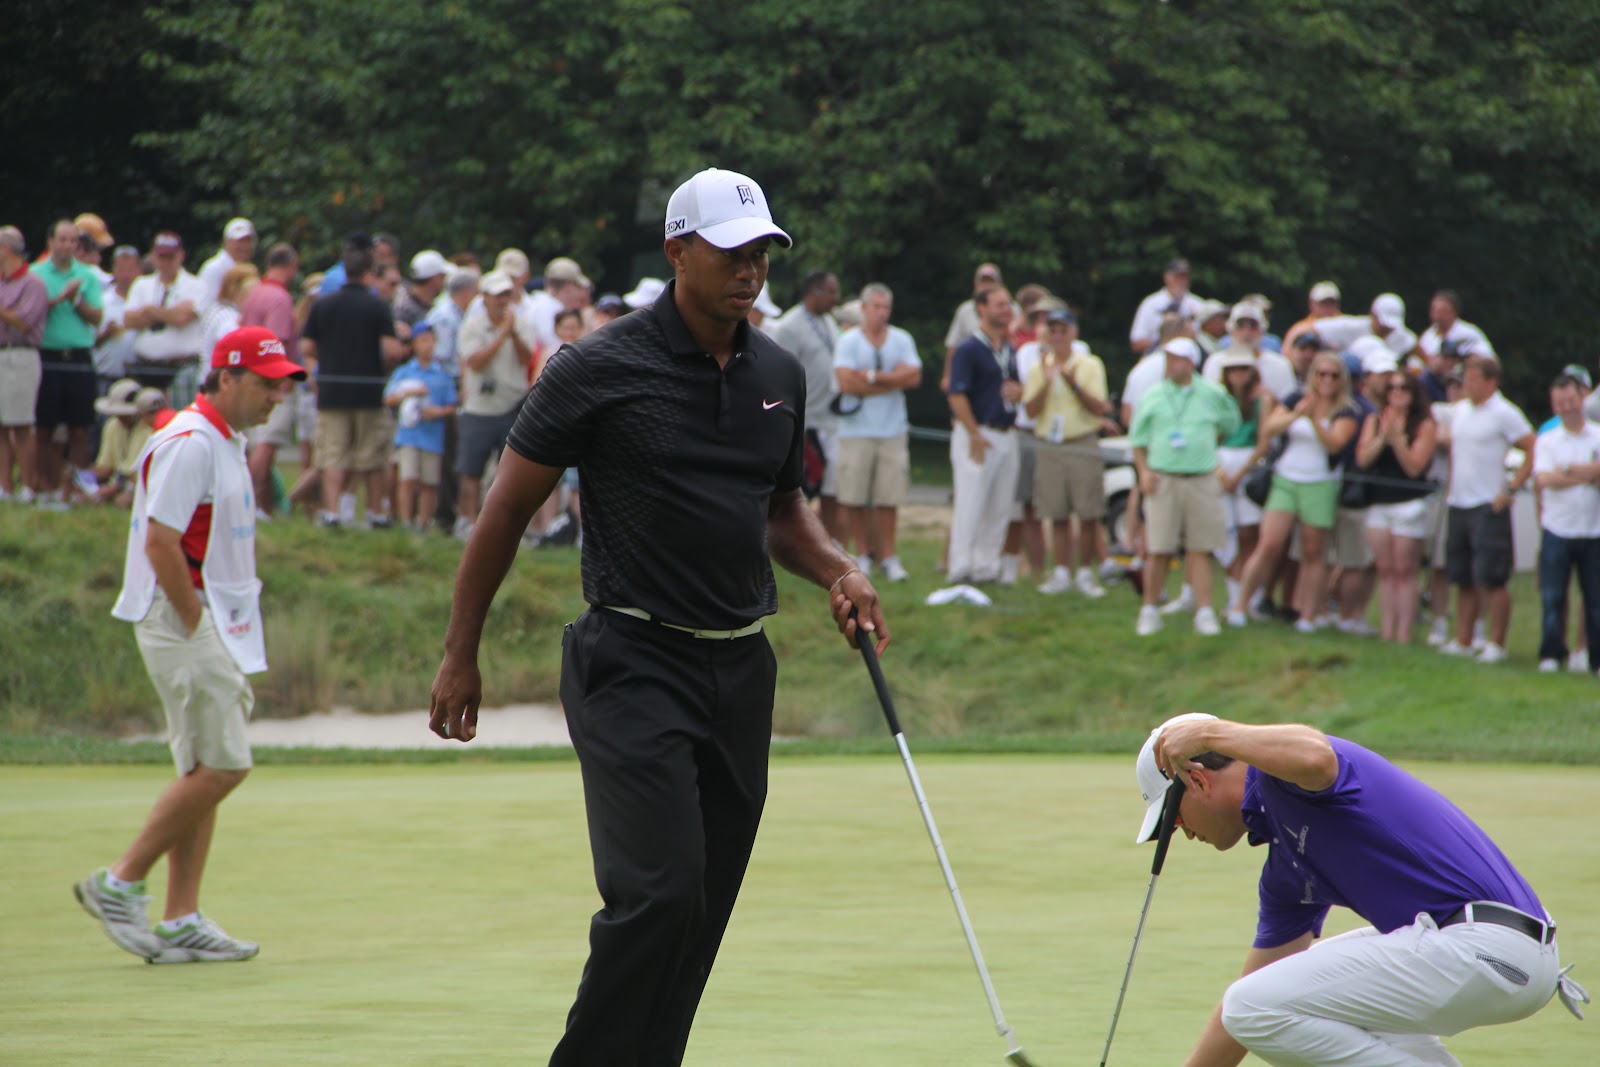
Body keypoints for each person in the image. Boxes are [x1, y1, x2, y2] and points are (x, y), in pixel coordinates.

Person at [427, 166, 889, 1066]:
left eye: (761, 253)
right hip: (632, 660)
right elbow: (505, 510)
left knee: (701, 912)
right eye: (730, 252)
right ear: (678, 251)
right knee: (659, 894)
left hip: (741, 670)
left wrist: (840, 568)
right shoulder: (597, 367)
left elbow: (780, 509)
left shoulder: (778, 372)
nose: (750, 269)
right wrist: (460, 653)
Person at [1135, 712, 1582, 1067]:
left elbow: (1316, 755)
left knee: (1249, 1005)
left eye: (1174, 820)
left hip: (1486, 945)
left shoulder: (1285, 778)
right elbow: (1250, 1000)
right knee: (1269, 1001)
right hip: (1495, 953)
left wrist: (1209, 734)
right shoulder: (1285, 873)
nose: (1182, 833)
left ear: (1198, 780)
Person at [77, 326, 306, 964]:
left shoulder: (223, 439)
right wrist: (195, 620)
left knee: (203, 766)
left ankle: (180, 917)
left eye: (282, 386)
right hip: (181, 615)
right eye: (265, 384)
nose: (276, 397)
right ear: (226, 378)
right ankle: (119, 882)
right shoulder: (190, 442)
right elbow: (160, 543)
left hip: (204, 616)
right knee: (226, 766)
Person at [1228, 352, 1360, 632]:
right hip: (1286, 479)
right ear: (1313, 376)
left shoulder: (1347, 411)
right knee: (1269, 544)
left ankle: (1307, 616)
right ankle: (1239, 605)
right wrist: (1297, 414)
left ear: (1341, 380)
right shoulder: (1296, 398)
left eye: (1333, 375)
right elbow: (1269, 428)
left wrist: (1314, 420)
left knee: (1313, 551)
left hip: (1320, 483)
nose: (1326, 380)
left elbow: (1335, 444)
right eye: (1321, 374)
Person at [1129, 337, 1239, 636]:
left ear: (1191, 363)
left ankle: (1204, 611)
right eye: (1168, 358)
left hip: (1201, 478)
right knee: (1159, 548)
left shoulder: (1213, 393)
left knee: (1200, 548)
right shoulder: (1154, 394)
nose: (1170, 364)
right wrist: (1144, 471)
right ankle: (1149, 609)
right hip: (1163, 478)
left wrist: (1205, 447)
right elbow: (1138, 439)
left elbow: (1229, 425)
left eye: (1176, 359)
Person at [300, 243, 406, 528]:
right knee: (372, 456)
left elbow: (307, 347)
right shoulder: (378, 306)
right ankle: (375, 513)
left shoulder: (323, 305)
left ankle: (332, 512)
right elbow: (392, 351)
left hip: (332, 390)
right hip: (369, 391)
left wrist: (324, 364)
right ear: (369, 274)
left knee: (333, 455)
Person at [1440, 355, 1534, 663]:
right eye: (1465, 378)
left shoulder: (1505, 412)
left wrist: (1511, 488)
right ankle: (1464, 639)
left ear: (1491, 381)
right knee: (1463, 576)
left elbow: (1532, 447)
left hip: (1488, 505)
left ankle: (1496, 643)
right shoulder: (1461, 411)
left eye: (1473, 379)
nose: (1467, 384)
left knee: (1493, 577)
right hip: (1459, 501)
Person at [832, 281, 921, 582]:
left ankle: (889, 557)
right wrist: (892, 380)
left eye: (886, 307)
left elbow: (914, 377)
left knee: (888, 497)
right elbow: (846, 382)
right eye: (877, 307)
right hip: (856, 430)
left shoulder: (901, 339)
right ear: (864, 308)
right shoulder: (849, 341)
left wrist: (871, 377)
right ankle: (863, 554)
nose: (882, 313)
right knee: (855, 495)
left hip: (892, 429)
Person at [1022, 307, 1109, 596]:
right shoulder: (1038, 368)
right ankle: (1061, 571)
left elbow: (1098, 407)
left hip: (1081, 441)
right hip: (1050, 444)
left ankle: (1084, 571)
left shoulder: (1089, 364)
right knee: (1056, 511)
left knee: (1088, 511)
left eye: (1063, 330)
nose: (1058, 336)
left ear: (1074, 333)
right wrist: (1047, 383)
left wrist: (1072, 384)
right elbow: (1031, 411)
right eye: (1053, 331)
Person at [1353, 368, 1438, 643]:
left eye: (1403, 389)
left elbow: (1415, 467)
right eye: (1392, 388)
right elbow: (1363, 460)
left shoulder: (1424, 425)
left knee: (1405, 570)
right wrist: (1383, 437)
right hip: (1379, 503)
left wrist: (1399, 440)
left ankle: (1404, 634)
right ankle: (1387, 632)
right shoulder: (1375, 420)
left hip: (1409, 503)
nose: (1397, 394)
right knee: (1385, 570)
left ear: (1414, 394)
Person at [945, 285, 1023, 585]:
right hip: (977, 432)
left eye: (1008, 304)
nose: (1006, 310)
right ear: (982, 308)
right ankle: (961, 567)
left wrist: (1019, 393)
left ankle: (987, 567)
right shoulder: (969, 348)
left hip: (1005, 432)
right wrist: (974, 435)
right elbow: (956, 394)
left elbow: (1012, 387)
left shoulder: (1009, 349)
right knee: (971, 502)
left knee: (1000, 505)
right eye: (999, 304)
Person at [452, 268, 536, 538]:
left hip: (512, 406)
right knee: (471, 470)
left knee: (510, 474)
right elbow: (475, 362)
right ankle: (467, 520)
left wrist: (512, 333)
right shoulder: (472, 325)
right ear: (485, 297)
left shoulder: (521, 323)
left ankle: (504, 526)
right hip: (479, 408)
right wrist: (502, 334)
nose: (503, 300)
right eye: (498, 295)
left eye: (506, 295)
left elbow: (527, 359)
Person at [31, 218, 105, 506]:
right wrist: (61, 297)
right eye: (62, 240)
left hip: (78, 356)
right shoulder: (36, 275)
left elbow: (96, 317)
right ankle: (45, 487)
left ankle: (77, 489)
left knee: (80, 427)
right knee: (44, 426)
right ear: (50, 242)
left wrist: (76, 301)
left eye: (73, 241)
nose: (67, 246)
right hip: (47, 356)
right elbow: (32, 314)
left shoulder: (87, 276)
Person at [1532, 371, 1600, 674]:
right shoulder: (1548, 440)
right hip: (1557, 527)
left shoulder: (1597, 435)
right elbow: (1545, 479)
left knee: (1595, 599)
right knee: (1553, 596)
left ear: (1582, 398)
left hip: (1594, 529)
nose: (1567, 408)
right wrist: (1589, 473)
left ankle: (1595, 657)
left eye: (1571, 401)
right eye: (1560, 403)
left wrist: (1569, 470)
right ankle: (1551, 652)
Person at [771, 270, 844, 542]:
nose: (836, 298)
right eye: (831, 292)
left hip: (832, 420)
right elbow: (781, 375)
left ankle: (832, 543)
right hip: (806, 421)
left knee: (833, 488)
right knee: (803, 489)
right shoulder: (790, 326)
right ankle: (799, 543)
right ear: (815, 292)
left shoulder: (828, 321)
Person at [1210, 353, 1275, 609]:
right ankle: (1233, 594)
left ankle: (1248, 595)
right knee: (1225, 535)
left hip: (1249, 467)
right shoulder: (1217, 399)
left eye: (1243, 368)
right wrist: (1220, 472)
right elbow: (1210, 438)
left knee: (1249, 534)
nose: (1238, 374)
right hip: (1221, 464)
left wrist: (1239, 474)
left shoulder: (1262, 400)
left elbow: (1263, 442)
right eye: (1232, 369)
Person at [383, 321, 458, 531]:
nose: (427, 345)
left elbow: (452, 405)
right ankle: (406, 522)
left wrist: (437, 412)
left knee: (429, 482)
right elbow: (388, 399)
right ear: (414, 344)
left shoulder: (442, 375)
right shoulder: (404, 372)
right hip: (408, 435)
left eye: (431, 341)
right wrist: (409, 393)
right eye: (423, 341)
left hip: (432, 436)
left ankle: (423, 524)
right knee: (407, 478)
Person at [125, 231, 207, 406]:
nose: (166, 262)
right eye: (162, 257)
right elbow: (129, 320)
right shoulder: (141, 284)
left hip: (182, 367)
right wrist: (170, 313)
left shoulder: (197, 285)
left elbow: (182, 318)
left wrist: (149, 311)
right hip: (147, 367)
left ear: (181, 256)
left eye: (171, 257)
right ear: (153, 257)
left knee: (180, 416)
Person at [0, 226, 50, 503]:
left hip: (21, 355)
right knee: (0, 425)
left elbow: (24, 322)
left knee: (21, 424)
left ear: (7, 249)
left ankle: (28, 487)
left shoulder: (33, 284)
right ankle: (4, 487)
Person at [1128, 257, 1202, 355]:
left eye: (1184, 277)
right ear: (1166, 277)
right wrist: (1165, 344)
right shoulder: (1151, 304)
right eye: (1177, 277)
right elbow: (1136, 342)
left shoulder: (1198, 305)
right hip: (1156, 357)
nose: (1181, 281)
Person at [196, 218, 256, 309]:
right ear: (226, 242)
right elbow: (205, 305)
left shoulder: (249, 269)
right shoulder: (213, 268)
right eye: (239, 241)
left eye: (248, 241)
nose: (244, 246)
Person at [1280, 280, 1343, 350]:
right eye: (1323, 303)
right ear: (1311, 303)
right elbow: (1286, 351)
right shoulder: (1299, 329)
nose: (1327, 307)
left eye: (1331, 302)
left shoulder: (1346, 325)